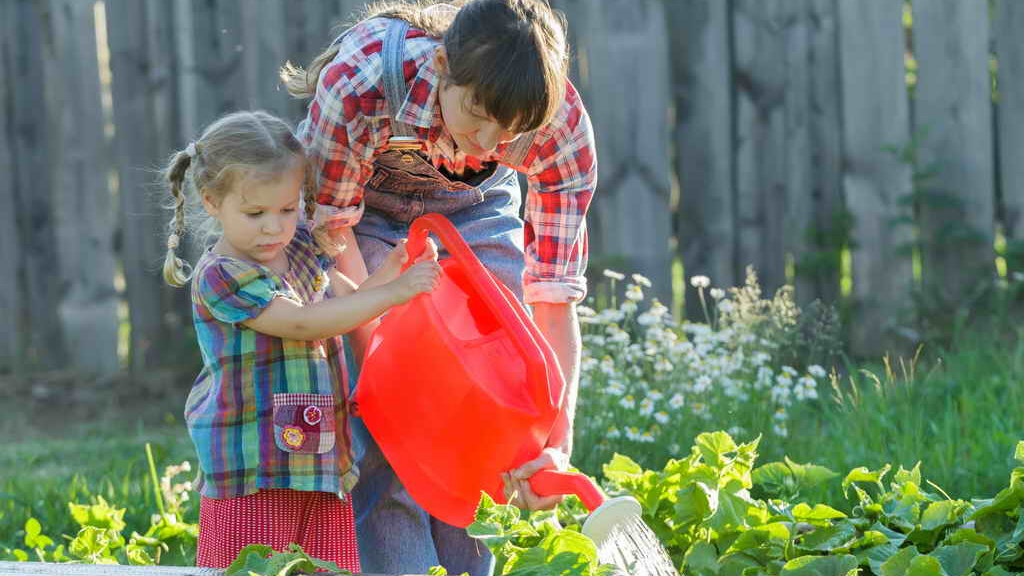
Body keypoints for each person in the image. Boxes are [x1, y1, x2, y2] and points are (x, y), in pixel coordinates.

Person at [281, 1, 597, 573]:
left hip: (476, 208)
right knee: (382, 422)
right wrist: (385, 364)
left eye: (511, 131)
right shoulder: (363, 80)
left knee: (498, 398)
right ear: (445, 66)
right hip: (361, 217)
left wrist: (556, 433)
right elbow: (332, 233)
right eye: (476, 118)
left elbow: (550, 296)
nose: (487, 145)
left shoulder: (560, 132)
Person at [161, 110, 441, 570]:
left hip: (319, 464)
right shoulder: (223, 276)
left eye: (288, 209)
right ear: (212, 201)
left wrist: (395, 270)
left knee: (327, 568)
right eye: (255, 213)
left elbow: (347, 303)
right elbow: (304, 323)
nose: (274, 227)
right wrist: (395, 292)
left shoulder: (298, 252)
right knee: (252, 568)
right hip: (255, 474)